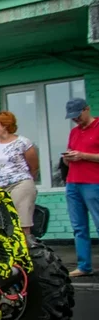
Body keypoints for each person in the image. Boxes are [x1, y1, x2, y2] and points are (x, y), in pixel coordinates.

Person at [61, 98, 99, 277]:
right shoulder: (74, 132)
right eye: (72, 117)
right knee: (79, 227)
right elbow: (70, 158)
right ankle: (84, 266)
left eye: (78, 115)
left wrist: (83, 155)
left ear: (87, 109)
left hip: (94, 183)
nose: (75, 120)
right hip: (73, 182)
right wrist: (67, 158)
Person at [0, 111, 39, 235]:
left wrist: (28, 183)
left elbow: (34, 166)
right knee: (3, 223)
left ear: (5, 125)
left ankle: (26, 251)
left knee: (21, 222)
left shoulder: (23, 142)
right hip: (0, 187)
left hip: (20, 184)